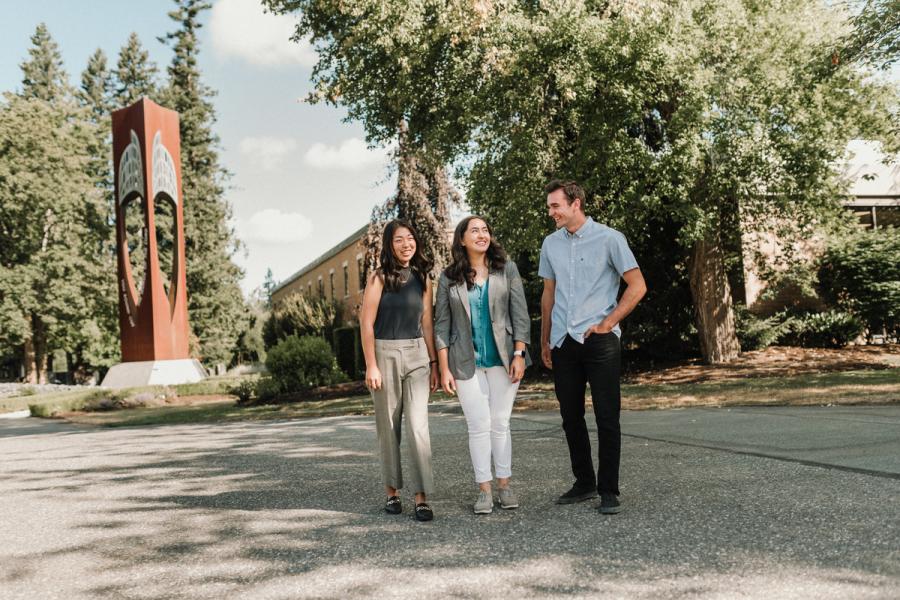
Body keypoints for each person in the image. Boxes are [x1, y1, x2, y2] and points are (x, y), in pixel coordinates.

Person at [538, 180, 647, 515]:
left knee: (606, 417)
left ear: (576, 204)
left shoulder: (610, 238)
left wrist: (608, 322)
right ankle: (584, 482)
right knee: (570, 417)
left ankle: (608, 489)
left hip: (599, 340)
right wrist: (545, 339)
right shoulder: (550, 244)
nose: (551, 212)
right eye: (549, 207)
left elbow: (637, 285)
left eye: (556, 206)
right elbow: (548, 295)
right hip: (562, 342)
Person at [434, 216, 531, 514]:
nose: (481, 234)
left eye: (485, 229)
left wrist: (519, 354)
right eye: (474, 230)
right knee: (478, 426)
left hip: (504, 361)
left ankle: (504, 485)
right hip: (465, 363)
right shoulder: (449, 277)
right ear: (462, 239)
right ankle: (484, 490)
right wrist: (444, 368)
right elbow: (441, 325)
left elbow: (520, 315)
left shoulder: (507, 269)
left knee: (500, 423)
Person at [360, 219, 440, 522]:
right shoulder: (378, 278)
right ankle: (392, 492)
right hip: (384, 354)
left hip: (417, 354)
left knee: (418, 427)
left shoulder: (423, 278)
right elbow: (366, 323)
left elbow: (427, 323)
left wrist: (433, 363)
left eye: (410, 238)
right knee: (388, 428)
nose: (406, 244)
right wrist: (371, 364)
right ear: (389, 245)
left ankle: (422, 497)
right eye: (398, 240)